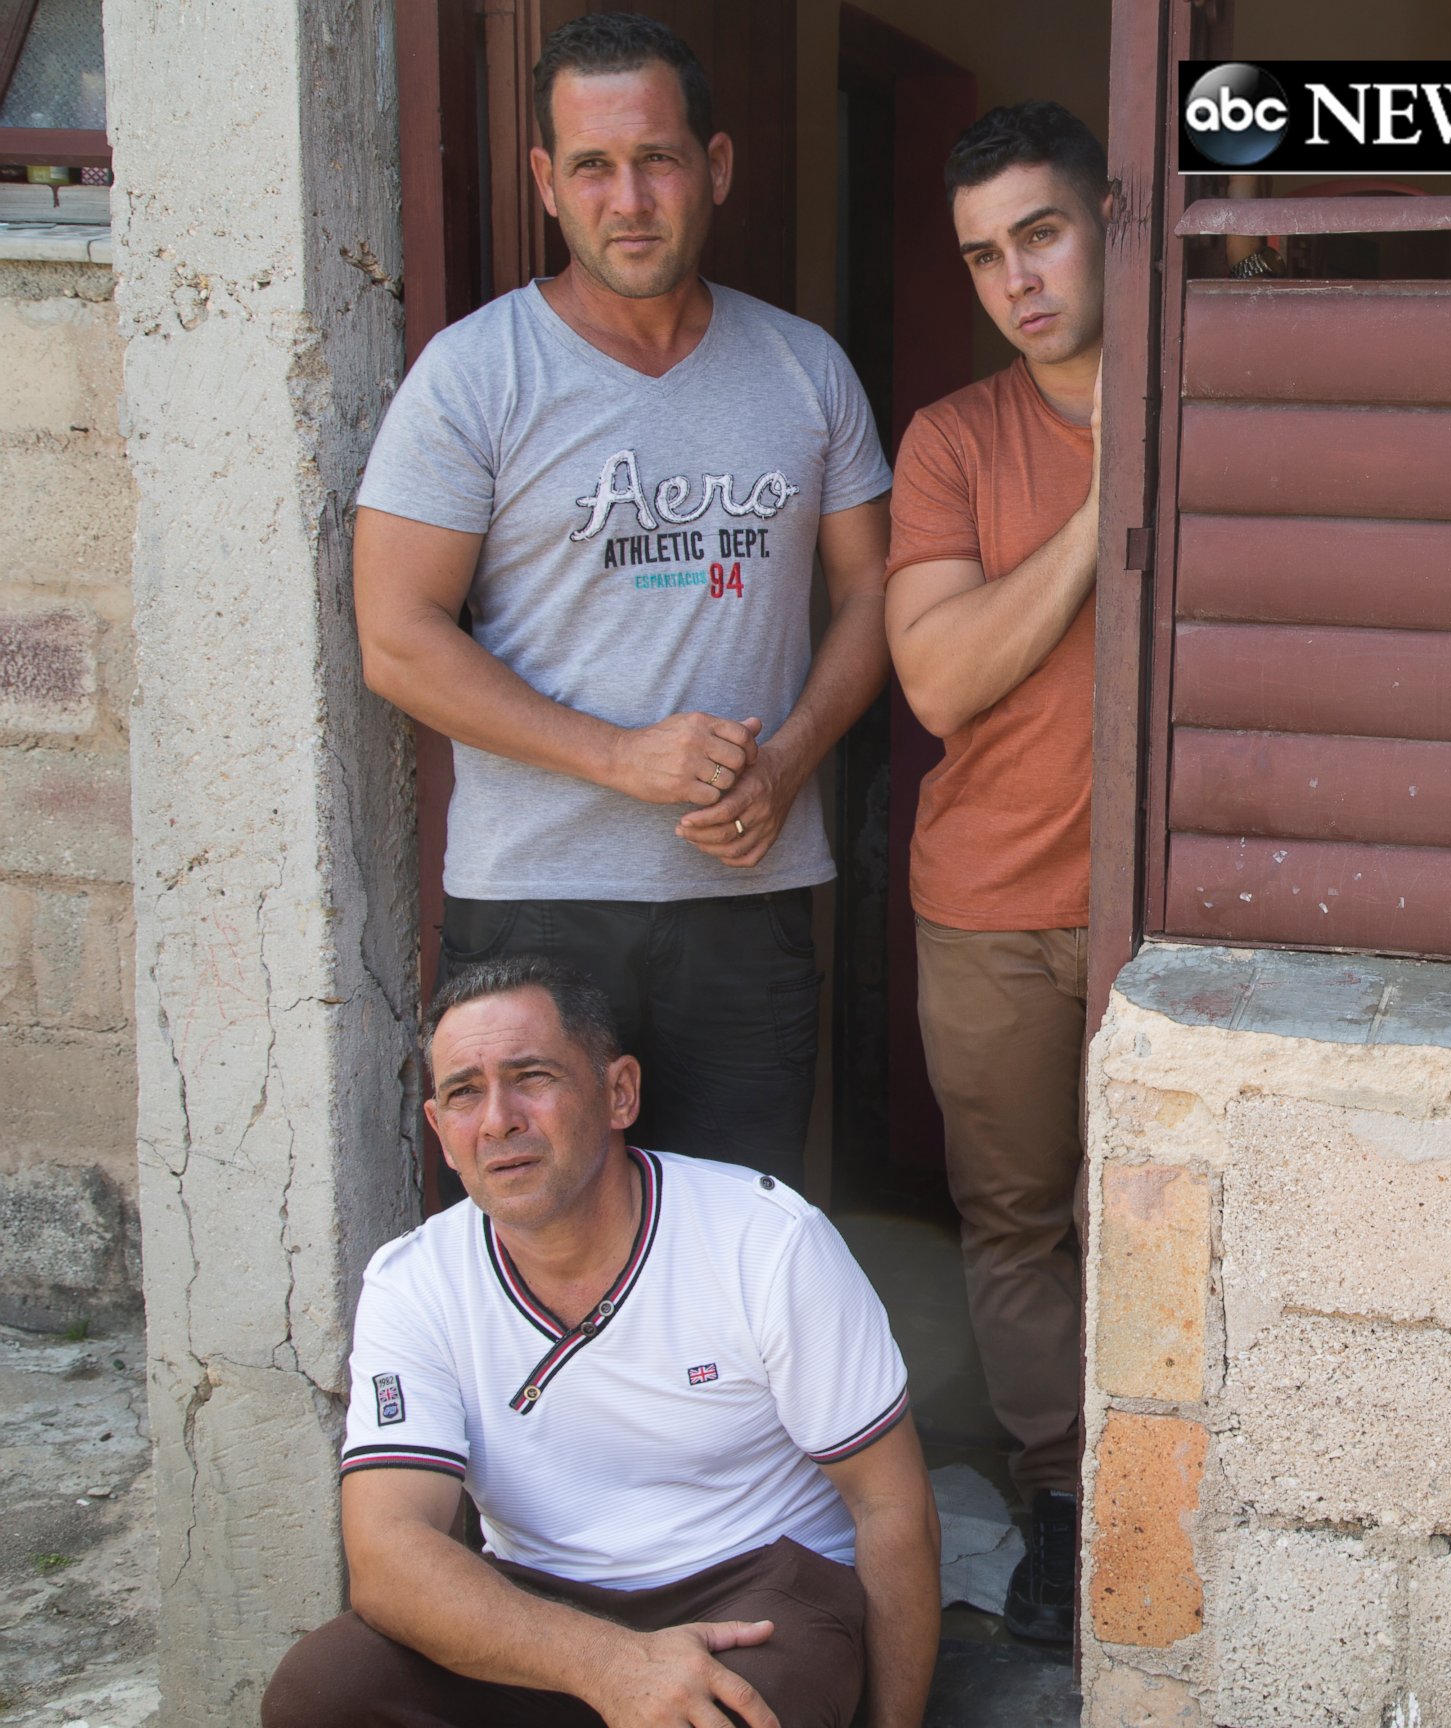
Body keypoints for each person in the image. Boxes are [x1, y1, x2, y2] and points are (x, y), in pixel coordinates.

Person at [354, 13, 894, 1193]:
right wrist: (619, 758)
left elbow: (874, 594)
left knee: (735, 1233)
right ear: (548, 182)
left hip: (747, 898)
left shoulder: (806, 368)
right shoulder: (475, 374)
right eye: (593, 166)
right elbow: (396, 641)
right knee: (529, 1232)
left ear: (717, 167)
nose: (630, 197)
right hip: (536, 900)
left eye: (656, 157)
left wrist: (791, 759)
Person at [260, 957, 940, 1728]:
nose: (498, 1120)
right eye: (463, 1093)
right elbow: (386, 1554)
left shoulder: (765, 1241)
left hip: (755, 1597)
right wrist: (612, 1665)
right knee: (323, 1690)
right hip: (543, 1601)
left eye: (532, 1077)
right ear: (440, 1134)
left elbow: (892, 1505)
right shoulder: (413, 1281)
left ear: (619, 1093)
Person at [881, 100, 1108, 1644]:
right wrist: (1108, 513)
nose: (1017, 279)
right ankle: (1063, 1503)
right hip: (988, 905)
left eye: (1042, 233)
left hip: (1174, 916)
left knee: (1169, 1211)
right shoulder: (955, 441)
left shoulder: (1228, 405)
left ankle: (1184, 1483)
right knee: (1018, 1222)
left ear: (1108, 223)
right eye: (984, 255)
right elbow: (942, 679)